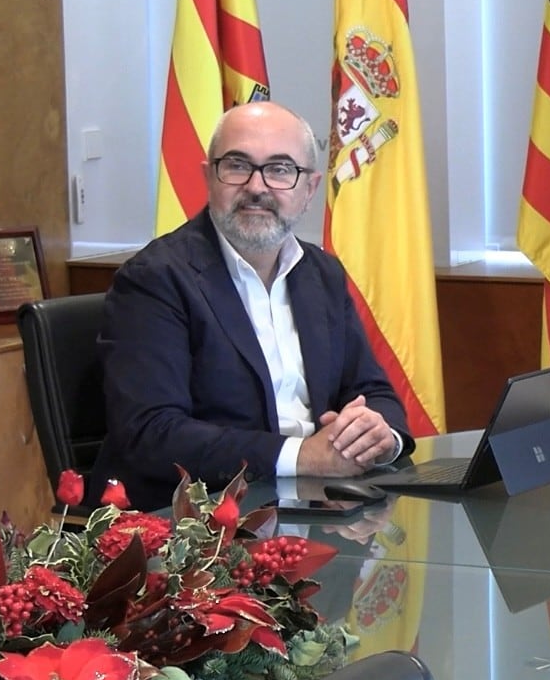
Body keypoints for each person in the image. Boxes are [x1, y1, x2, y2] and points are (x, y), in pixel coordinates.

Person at [91, 102, 414, 511]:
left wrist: (378, 435)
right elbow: (152, 432)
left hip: (322, 508)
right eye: (238, 165)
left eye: (280, 169)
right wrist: (302, 456)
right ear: (208, 177)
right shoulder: (155, 278)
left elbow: (373, 391)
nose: (257, 186)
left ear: (309, 189)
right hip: (201, 522)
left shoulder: (321, 272)